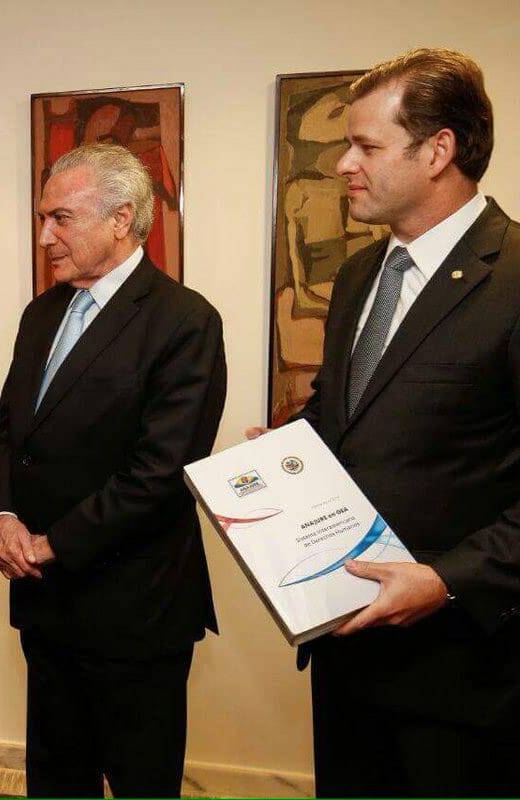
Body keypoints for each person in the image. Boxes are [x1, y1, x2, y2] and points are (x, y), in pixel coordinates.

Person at [246, 47, 520, 797]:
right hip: (347, 652)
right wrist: (287, 457)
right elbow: (346, 415)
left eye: (366, 146)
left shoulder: (513, 277)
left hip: (465, 676)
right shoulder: (361, 274)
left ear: (438, 151)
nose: (344, 165)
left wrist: (447, 580)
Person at [0, 142, 226, 798]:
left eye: (60, 218)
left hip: (134, 611)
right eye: (43, 218)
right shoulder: (42, 314)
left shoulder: (184, 322)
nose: (44, 236)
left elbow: (160, 472)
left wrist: (51, 543)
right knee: (56, 781)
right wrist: (2, 517)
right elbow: (6, 435)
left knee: (141, 783)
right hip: (45, 606)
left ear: (121, 220)